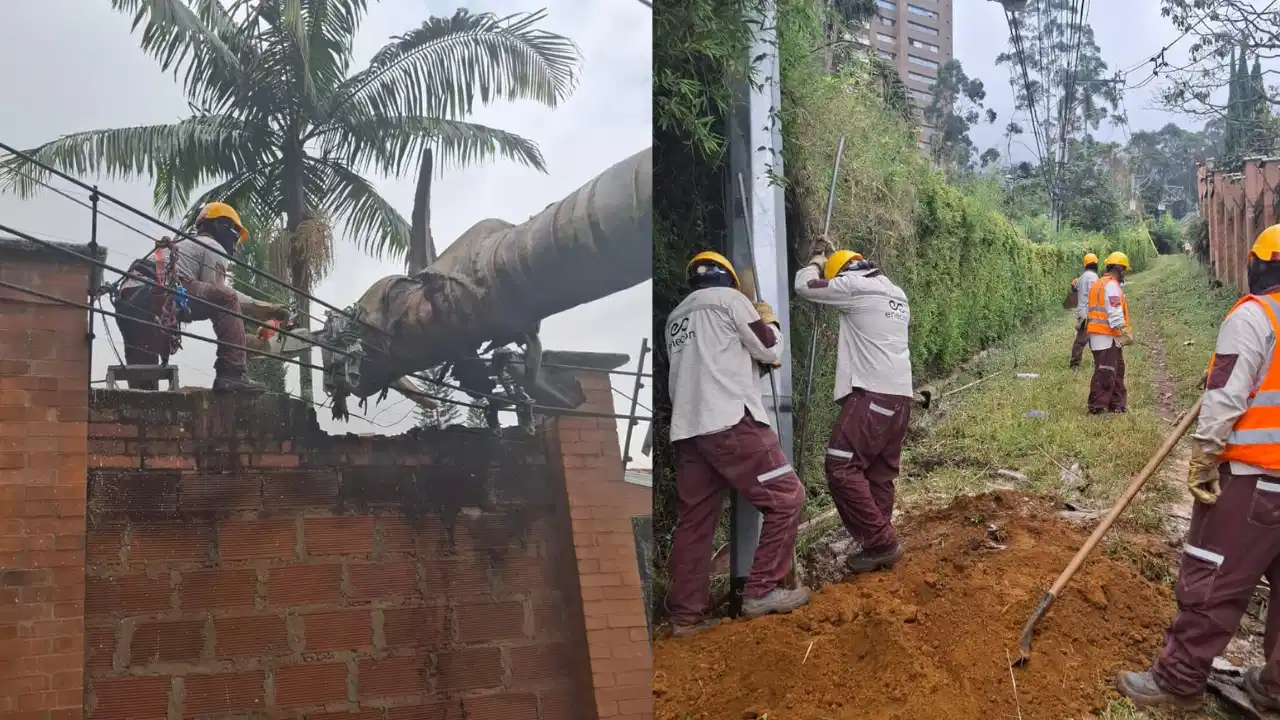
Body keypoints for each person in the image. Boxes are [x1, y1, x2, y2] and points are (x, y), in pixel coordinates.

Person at [1117, 225, 1280, 711]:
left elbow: (1227, 396)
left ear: (1259, 264)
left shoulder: (1255, 315)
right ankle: (1275, 687)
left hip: (1254, 481)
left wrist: (1204, 456)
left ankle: (1178, 680)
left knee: (1212, 577)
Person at [664, 250, 810, 635]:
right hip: (730, 422)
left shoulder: (676, 317)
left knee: (695, 523)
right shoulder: (732, 300)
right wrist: (768, 319)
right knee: (787, 497)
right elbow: (770, 347)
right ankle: (760, 591)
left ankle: (685, 617)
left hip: (688, 431)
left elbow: (715, 365)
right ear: (728, 279)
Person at [794, 237, 912, 574]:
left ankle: (881, 542)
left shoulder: (853, 286)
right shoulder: (896, 293)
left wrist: (817, 261)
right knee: (879, 474)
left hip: (872, 395)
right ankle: (878, 548)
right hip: (901, 397)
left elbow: (805, 287)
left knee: (841, 465)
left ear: (843, 274)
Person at [114, 201, 288, 393]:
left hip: (128, 299)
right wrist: (262, 308)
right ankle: (232, 374)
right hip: (155, 292)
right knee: (227, 298)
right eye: (236, 237)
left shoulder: (185, 243)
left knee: (144, 386)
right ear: (222, 226)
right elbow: (221, 296)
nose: (235, 246)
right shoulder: (211, 245)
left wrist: (244, 339)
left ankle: (142, 403)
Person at [1085, 251, 1134, 414]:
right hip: (1106, 335)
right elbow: (1115, 311)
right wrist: (1124, 331)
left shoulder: (1099, 283)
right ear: (1119, 268)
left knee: (1117, 370)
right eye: (1124, 270)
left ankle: (1117, 405)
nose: (1125, 274)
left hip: (1102, 335)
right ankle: (1097, 407)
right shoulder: (1111, 286)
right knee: (1105, 371)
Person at [1069, 253, 1100, 369]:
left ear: (1085, 265)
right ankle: (1074, 364)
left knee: (1094, 338)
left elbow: (1074, 288)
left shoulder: (1082, 277)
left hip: (1083, 312)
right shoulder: (1093, 277)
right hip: (1088, 313)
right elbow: (1094, 293)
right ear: (1095, 264)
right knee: (1082, 339)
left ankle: (1099, 361)